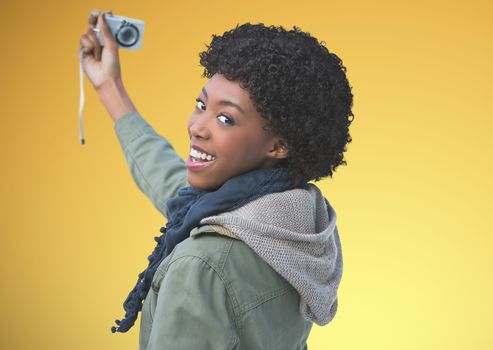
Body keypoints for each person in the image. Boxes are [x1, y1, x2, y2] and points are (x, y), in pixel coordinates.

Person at [78, 9, 353, 350]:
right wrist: (109, 86)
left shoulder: (201, 265)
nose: (196, 126)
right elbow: (169, 180)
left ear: (279, 145)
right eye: (201, 104)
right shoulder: (294, 224)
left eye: (225, 118)